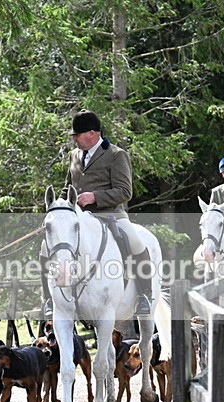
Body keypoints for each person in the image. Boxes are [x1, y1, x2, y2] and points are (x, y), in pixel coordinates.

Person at [40, 110, 153, 318]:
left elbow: (125, 192)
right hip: (78, 217)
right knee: (45, 248)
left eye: (77, 134)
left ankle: (145, 295)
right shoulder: (75, 155)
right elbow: (69, 187)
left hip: (110, 215)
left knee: (135, 241)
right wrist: (60, 204)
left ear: (92, 133)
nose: (74, 138)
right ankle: (48, 298)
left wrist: (95, 197)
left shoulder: (116, 155)